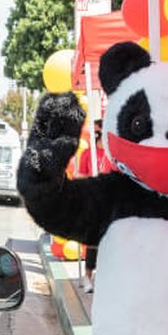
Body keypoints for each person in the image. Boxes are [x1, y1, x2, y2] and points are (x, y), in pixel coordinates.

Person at [75, 119, 114, 292]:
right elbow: (82, 177)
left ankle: (104, 275)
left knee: (108, 242)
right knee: (92, 241)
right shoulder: (88, 154)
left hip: (111, 203)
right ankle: (88, 276)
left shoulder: (114, 154)